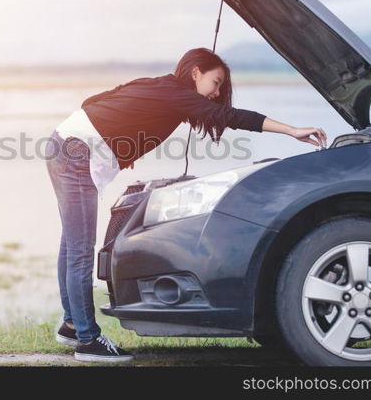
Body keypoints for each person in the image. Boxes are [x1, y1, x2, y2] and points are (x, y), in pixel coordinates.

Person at [44, 47, 327, 362]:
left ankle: (72, 324)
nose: (217, 93)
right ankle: (88, 341)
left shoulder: (161, 85)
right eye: (215, 82)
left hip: (64, 142)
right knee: (80, 251)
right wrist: (291, 130)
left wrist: (126, 142)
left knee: (72, 246)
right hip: (77, 152)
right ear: (196, 73)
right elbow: (230, 117)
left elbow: (93, 102)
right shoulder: (177, 94)